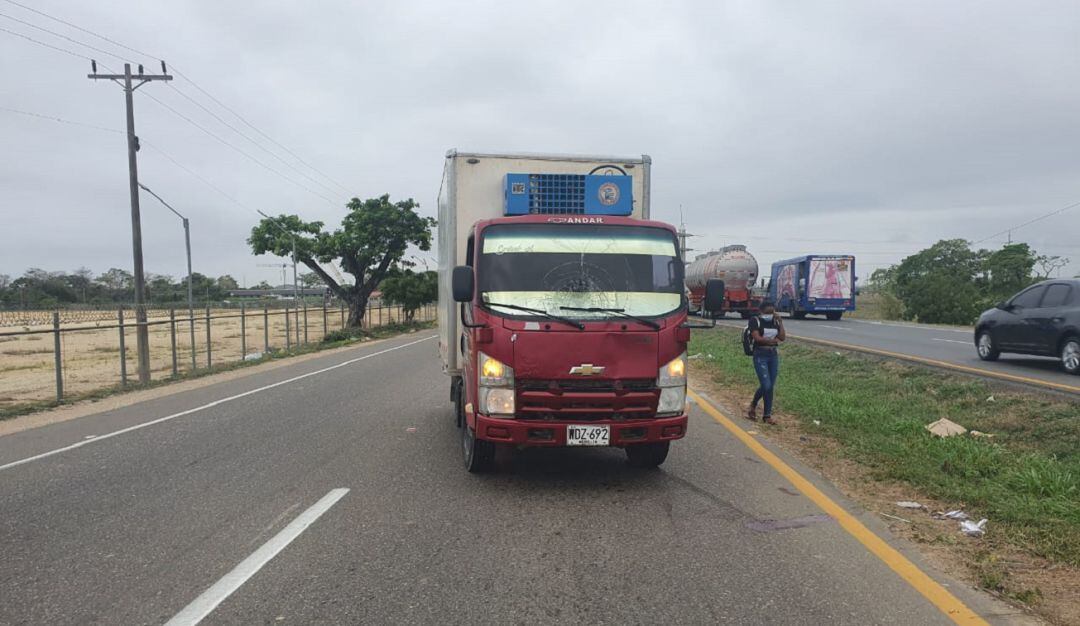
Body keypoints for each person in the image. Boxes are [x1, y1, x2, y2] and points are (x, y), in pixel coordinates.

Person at [746, 301, 785, 425]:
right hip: (760, 355)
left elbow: (782, 337)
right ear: (761, 311)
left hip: (772, 355)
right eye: (767, 312)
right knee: (766, 385)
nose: (770, 314)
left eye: (772, 312)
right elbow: (757, 338)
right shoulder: (755, 321)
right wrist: (773, 341)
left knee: (770, 386)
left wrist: (781, 322)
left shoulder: (775, 322)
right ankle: (754, 404)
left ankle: (767, 415)